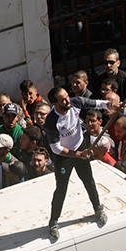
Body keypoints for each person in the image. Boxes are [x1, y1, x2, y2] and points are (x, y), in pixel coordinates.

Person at [43, 86, 110, 241]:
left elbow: (95, 103)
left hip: (81, 146)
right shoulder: (51, 122)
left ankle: (98, 208)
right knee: (61, 189)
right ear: (54, 103)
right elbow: (56, 148)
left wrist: (109, 105)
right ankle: (53, 222)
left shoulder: (75, 102)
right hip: (64, 156)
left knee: (89, 180)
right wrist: (78, 154)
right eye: (63, 100)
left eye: (67, 97)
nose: (68, 101)